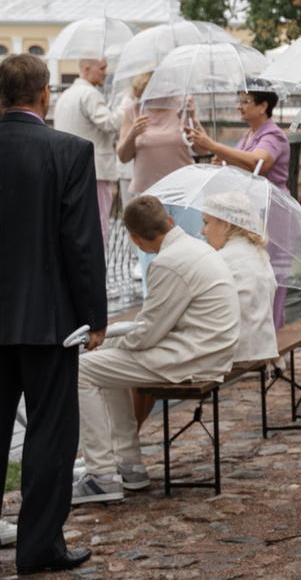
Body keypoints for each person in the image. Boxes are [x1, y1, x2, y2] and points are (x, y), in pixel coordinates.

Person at [0, 54, 108, 576]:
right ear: (44, 95)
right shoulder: (71, 151)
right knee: (50, 437)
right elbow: (82, 242)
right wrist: (94, 314)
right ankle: (39, 546)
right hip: (52, 322)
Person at [72, 194, 241, 504]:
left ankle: (102, 476)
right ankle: (128, 465)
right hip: (208, 348)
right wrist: (112, 345)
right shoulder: (195, 248)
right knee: (106, 365)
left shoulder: (167, 262)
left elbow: (146, 334)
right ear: (171, 221)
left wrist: (108, 342)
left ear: (135, 240)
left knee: (80, 370)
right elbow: (152, 327)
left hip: (194, 356)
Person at [188, 86, 295, 330]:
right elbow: (243, 166)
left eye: (245, 101)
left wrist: (214, 146)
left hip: (272, 213)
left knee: (273, 276)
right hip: (250, 213)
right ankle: (252, 335)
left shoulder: (273, 135)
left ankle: (272, 338)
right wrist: (224, 162)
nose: (239, 106)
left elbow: (259, 162)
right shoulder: (248, 135)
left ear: (263, 106)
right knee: (251, 273)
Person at [203, 190, 281, 371]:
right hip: (262, 348)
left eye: (206, 223)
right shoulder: (259, 255)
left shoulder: (219, 260)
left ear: (226, 225)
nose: (202, 231)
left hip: (236, 353)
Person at [51, 57, 121, 224]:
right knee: (98, 223)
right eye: (102, 68)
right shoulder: (90, 94)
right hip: (95, 171)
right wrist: (127, 101)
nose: (105, 73)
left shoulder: (65, 95)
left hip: (69, 170)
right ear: (87, 69)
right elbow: (111, 123)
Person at [113, 72, 192, 200]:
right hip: (146, 193)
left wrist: (193, 116)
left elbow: (202, 150)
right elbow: (123, 157)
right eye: (164, 81)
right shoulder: (133, 111)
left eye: (171, 81)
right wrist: (131, 134)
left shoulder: (182, 108)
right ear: (148, 85)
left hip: (182, 191)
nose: (169, 84)